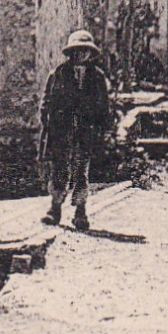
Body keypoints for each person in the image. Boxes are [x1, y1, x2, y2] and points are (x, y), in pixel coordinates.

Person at [39, 29, 112, 230]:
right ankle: (55, 209)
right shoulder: (58, 75)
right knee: (59, 169)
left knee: (81, 171)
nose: (81, 55)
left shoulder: (97, 77)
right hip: (62, 131)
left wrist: (104, 128)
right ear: (70, 53)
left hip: (85, 132)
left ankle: (80, 212)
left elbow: (104, 106)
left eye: (85, 51)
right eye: (77, 51)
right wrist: (48, 123)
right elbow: (46, 103)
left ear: (91, 54)